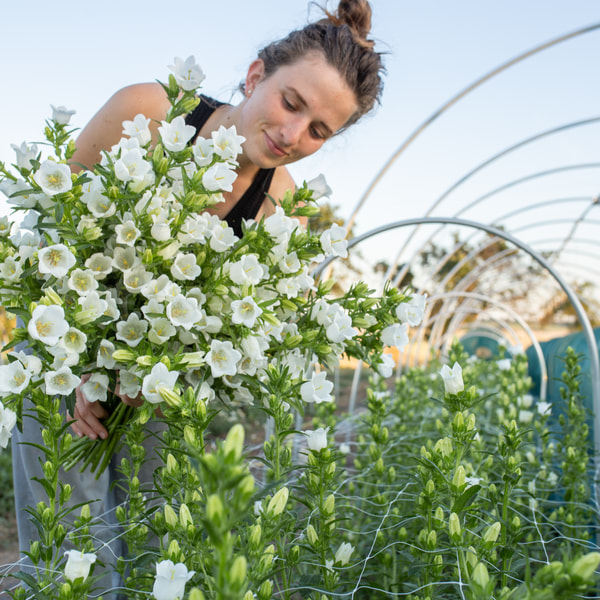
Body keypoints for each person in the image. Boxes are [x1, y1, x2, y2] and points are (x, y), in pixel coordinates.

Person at [12, 0, 384, 596]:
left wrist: (157, 377)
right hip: (59, 362)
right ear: (256, 76)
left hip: (160, 396)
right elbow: (52, 225)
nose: (293, 135)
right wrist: (80, 364)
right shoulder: (149, 111)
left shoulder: (280, 207)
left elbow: (247, 327)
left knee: (151, 551)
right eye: (291, 103)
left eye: (319, 131)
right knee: (67, 554)